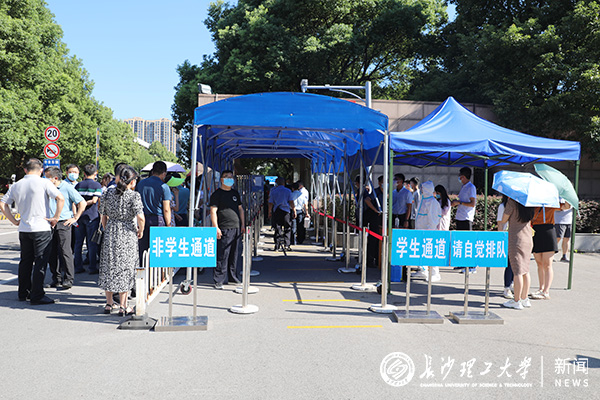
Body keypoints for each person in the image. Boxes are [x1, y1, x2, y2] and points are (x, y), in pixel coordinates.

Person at [0, 158, 64, 305]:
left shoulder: (17, 185)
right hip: (41, 227)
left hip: (24, 228)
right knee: (40, 262)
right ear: (41, 170)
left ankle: (23, 292)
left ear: (25, 170)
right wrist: (56, 217)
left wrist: (14, 221)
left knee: (25, 261)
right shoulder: (44, 182)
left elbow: (3, 204)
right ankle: (37, 295)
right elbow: (60, 198)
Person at [98, 165, 144, 315]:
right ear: (132, 181)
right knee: (125, 268)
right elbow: (141, 217)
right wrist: (140, 230)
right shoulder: (134, 195)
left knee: (109, 266)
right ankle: (123, 306)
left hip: (111, 231)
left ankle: (109, 303)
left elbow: (103, 215)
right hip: (127, 233)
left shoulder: (108, 193)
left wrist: (107, 228)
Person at [44, 166, 86, 289]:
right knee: (51, 252)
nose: (45, 180)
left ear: (55, 178)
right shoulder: (46, 188)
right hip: (49, 223)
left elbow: (82, 202)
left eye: (47, 177)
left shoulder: (66, 188)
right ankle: (56, 278)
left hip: (63, 223)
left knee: (65, 251)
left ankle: (68, 279)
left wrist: (75, 218)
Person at [209, 170, 245, 289]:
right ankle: (219, 279)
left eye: (231, 177)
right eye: (227, 177)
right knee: (223, 254)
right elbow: (213, 211)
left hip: (236, 227)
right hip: (224, 227)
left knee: (235, 254)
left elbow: (240, 209)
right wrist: (216, 227)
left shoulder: (235, 193)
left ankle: (233, 277)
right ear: (222, 179)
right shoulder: (217, 194)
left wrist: (243, 224)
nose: (229, 179)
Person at [499, 197, 535, 310]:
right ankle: (524, 299)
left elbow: (504, 219)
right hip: (528, 238)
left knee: (517, 271)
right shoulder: (530, 202)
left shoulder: (512, 202)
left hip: (516, 239)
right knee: (525, 270)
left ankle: (516, 300)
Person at [136, 161, 172, 268]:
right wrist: (169, 225)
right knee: (157, 249)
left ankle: (143, 271)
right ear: (164, 173)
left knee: (143, 249)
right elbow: (166, 209)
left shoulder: (141, 184)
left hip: (142, 218)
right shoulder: (164, 187)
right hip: (158, 219)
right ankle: (156, 273)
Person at [530, 202, 568, 300]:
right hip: (536, 232)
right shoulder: (532, 204)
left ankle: (546, 291)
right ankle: (541, 288)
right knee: (539, 263)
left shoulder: (550, 203)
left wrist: (566, 198)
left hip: (548, 231)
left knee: (547, 264)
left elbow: (566, 207)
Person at [74, 164, 103, 274]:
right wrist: (86, 203)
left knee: (78, 243)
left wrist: (79, 207)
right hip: (92, 216)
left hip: (79, 216)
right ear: (95, 173)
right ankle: (92, 267)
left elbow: (74, 200)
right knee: (91, 243)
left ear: (84, 173)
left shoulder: (78, 185)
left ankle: (78, 266)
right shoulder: (97, 185)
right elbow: (95, 200)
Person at [412, 181, 442, 282]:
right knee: (422, 251)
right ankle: (422, 270)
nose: (421, 190)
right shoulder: (423, 200)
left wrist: (430, 232)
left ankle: (435, 273)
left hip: (429, 233)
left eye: (423, 188)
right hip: (421, 231)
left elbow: (433, 220)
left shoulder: (432, 202)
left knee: (432, 252)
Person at [451, 167, 477, 273]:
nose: (459, 178)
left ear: (464, 177)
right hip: (460, 217)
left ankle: (472, 266)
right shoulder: (463, 187)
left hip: (466, 218)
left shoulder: (471, 187)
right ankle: (462, 263)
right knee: (461, 242)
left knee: (468, 242)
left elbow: (472, 203)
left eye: (460, 176)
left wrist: (459, 202)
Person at [268, 177, 296, 251]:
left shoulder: (273, 191)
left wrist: (269, 212)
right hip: (286, 211)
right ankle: (287, 245)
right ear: (284, 183)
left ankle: (277, 245)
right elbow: (291, 202)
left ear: (277, 183)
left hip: (277, 210)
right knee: (287, 228)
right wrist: (294, 210)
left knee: (278, 228)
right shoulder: (288, 191)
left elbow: (270, 202)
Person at [497, 195, 514, 299]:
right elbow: (500, 223)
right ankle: (507, 286)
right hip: (507, 236)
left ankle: (512, 284)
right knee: (510, 263)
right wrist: (501, 237)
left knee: (515, 263)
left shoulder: (519, 207)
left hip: (516, 236)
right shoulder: (503, 206)